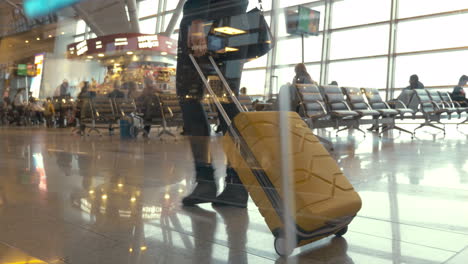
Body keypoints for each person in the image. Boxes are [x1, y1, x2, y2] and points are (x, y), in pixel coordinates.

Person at [177, 0, 249, 208]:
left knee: (190, 98)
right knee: (225, 99)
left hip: (209, 25)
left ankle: (206, 181)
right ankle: (236, 184)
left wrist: (198, 24)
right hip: (233, 24)